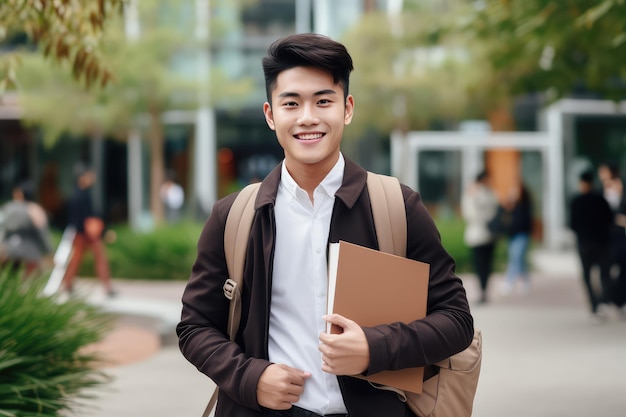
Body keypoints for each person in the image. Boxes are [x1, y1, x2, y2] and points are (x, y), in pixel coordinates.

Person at [177, 33, 474, 417]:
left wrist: (373, 348)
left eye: (323, 101)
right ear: (270, 115)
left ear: (346, 108)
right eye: (291, 103)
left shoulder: (396, 206)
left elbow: (456, 320)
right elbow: (194, 327)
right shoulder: (235, 216)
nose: (308, 117)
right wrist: (250, 378)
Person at [60, 163, 115, 297]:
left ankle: (106, 287)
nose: (92, 178)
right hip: (84, 233)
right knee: (79, 259)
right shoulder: (79, 196)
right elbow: (86, 216)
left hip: (87, 232)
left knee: (96, 258)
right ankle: (67, 284)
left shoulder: (84, 194)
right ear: (82, 178)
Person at [569, 171, 615, 318]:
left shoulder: (577, 201)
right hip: (602, 242)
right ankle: (603, 300)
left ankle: (595, 305)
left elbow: (572, 224)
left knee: (587, 276)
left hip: (585, 243)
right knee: (604, 273)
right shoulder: (601, 200)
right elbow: (610, 220)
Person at [461, 169, 499, 304]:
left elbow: (496, 211)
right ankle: (482, 291)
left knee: (487, 265)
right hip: (478, 235)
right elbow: (469, 213)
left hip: (490, 235)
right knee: (480, 265)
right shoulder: (473, 193)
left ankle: (484, 291)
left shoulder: (491, 193)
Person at [0, 180, 53, 277]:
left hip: (8, 250)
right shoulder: (34, 210)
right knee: (27, 282)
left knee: (8, 279)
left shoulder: (7, 208)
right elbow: (42, 233)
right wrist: (48, 252)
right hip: (29, 252)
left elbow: (2, 229)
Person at [501, 181, 533, 295]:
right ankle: (525, 281)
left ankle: (509, 281)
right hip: (512, 236)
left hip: (522, 235)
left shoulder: (524, 206)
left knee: (516, 257)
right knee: (519, 259)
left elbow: (523, 223)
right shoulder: (511, 206)